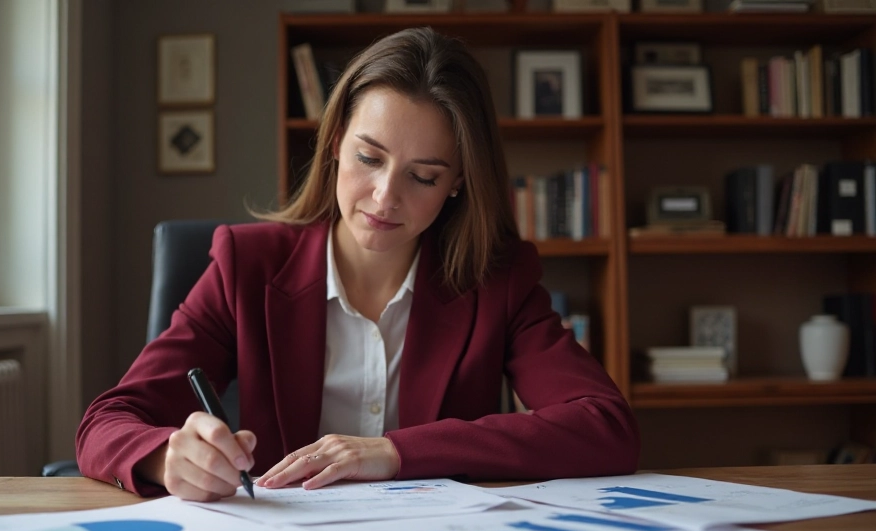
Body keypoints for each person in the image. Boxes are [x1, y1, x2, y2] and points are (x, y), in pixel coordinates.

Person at [76, 27, 639, 502]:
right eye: (370, 157)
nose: (384, 197)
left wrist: (396, 451)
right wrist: (166, 457)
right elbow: (106, 423)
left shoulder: (499, 281)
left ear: (458, 183)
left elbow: (605, 426)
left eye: (423, 175)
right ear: (336, 142)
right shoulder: (245, 265)